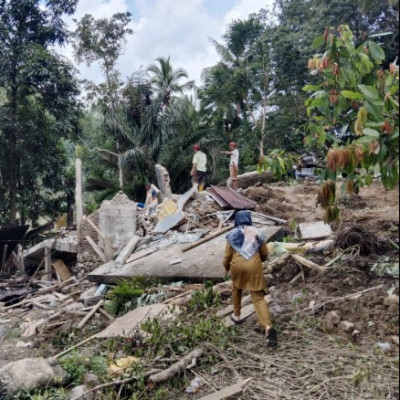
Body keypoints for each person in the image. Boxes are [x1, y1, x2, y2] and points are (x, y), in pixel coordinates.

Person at [223, 210, 278, 347]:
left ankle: (237, 316)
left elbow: (227, 256)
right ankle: (267, 327)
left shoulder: (232, 234)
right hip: (254, 266)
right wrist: (260, 260)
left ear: (236, 221)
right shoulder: (257, 232)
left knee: (236, 288)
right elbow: (265, 253)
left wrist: (226, 267)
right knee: (258, 297)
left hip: (237, 266)